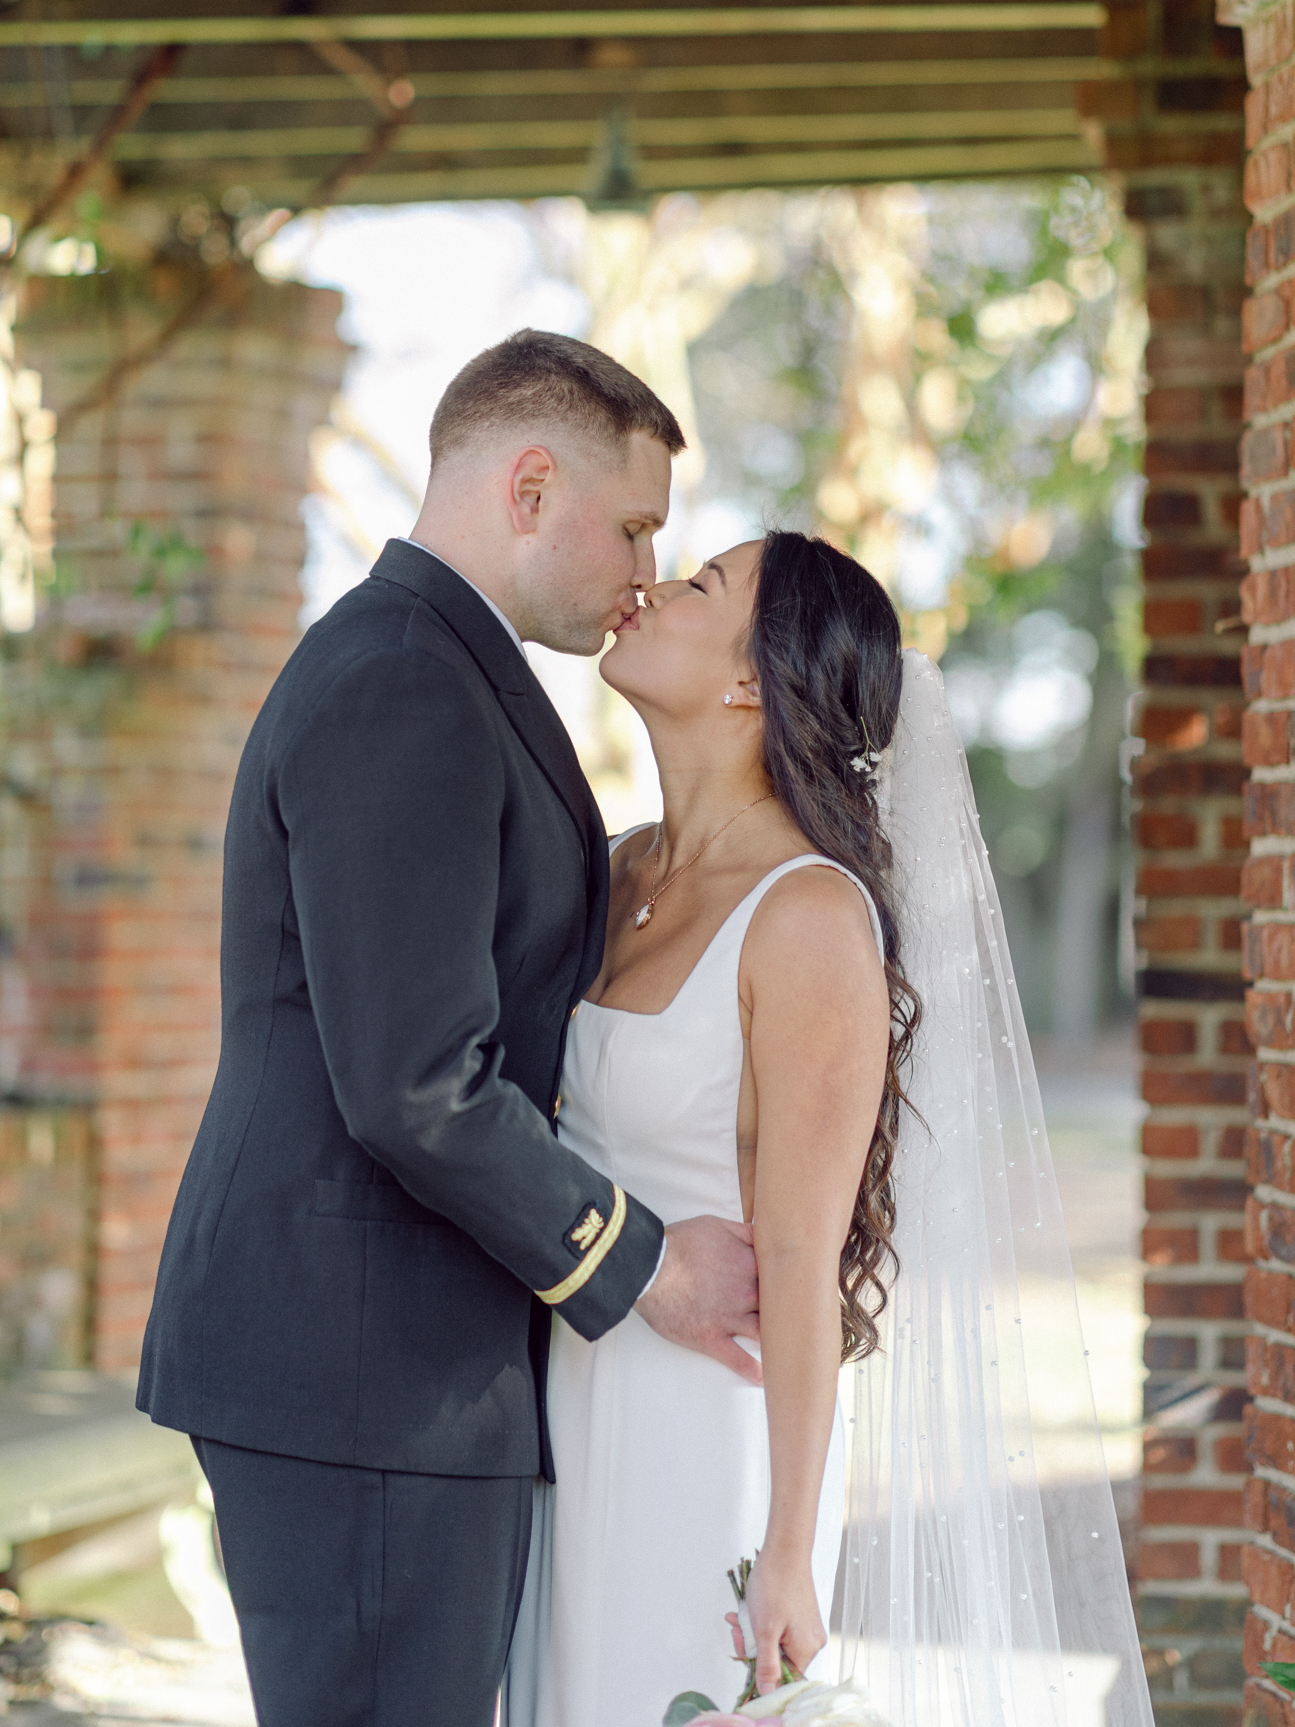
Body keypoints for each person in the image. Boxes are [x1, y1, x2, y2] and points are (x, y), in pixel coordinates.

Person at [135, 330, 763, 1727]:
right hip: (361, 1370)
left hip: (388, 1366)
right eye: (634, 524)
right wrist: (644, 1263)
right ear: (530, 485)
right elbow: (417, 1082)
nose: (643, 571)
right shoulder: (404, 680)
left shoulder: (443, 666)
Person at [503, 531, 1156, 1727]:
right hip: (558, 1399)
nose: (648, 584)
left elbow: (801, 1258)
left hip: (697, 1428)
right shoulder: (612, 871)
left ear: (752, 679)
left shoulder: (804, 917)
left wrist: (791, 1543)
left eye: (700, 584)